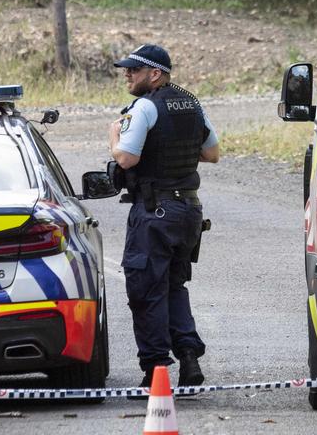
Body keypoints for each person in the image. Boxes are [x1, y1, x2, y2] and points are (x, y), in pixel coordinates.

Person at [108, 44, 219, 391]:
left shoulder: (144, 107)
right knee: (173, 285)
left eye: (134, 70)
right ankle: (188, 358)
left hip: (155, 212)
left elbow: (125, 159)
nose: (127, 74)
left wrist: (114, 136)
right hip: (188, 210)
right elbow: (211, 153)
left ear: (154, 74)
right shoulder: (191, 103)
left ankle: (154, 371)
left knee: (145, 290)